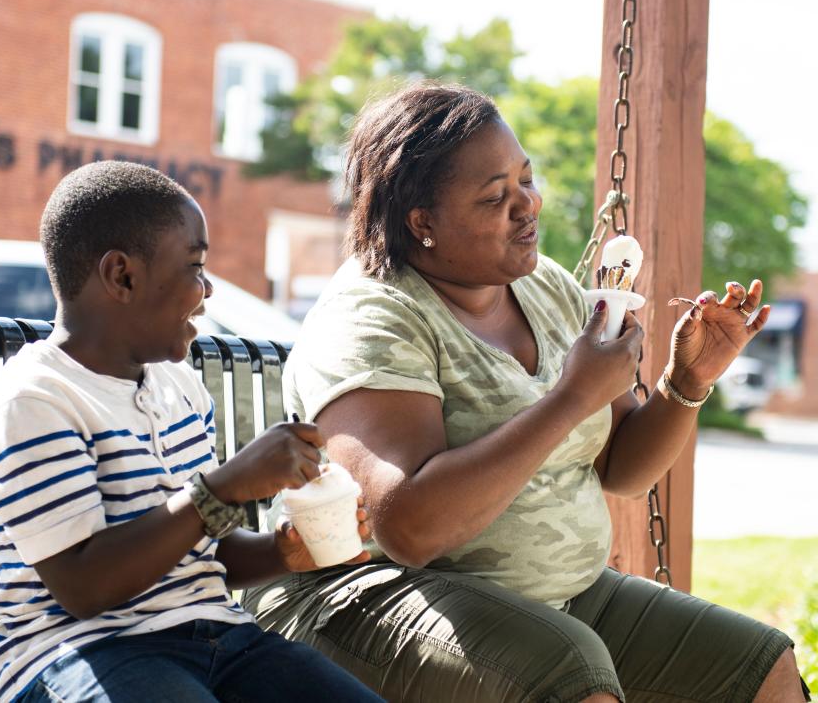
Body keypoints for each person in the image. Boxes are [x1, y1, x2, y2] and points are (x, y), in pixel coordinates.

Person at [243, 83, 811, 702]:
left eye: (526, 180)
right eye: (495, 197)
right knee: (571, 673)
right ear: (421, 222)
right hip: (366, 597)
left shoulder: (548, 288)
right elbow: (407, 529)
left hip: (556, 600)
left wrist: (688, 380)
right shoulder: (372, 317)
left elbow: (621, 468)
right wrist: (570, 398)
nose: (528, 205)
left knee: (759, 666)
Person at [0, 161, 382, 703]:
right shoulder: (35, 401)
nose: (207, 291)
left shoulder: (177, 386)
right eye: (194, 266)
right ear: (122, 276)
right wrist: (223, 488)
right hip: (78, 650)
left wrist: (283, 554)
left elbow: (200, 550)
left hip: (219, 638)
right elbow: (85, 587)